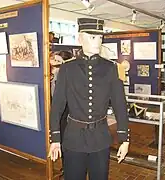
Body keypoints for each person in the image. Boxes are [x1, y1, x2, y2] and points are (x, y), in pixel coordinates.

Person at [48, 18, 130, 180]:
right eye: (93, 37)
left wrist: (124, 139)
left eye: (100, 37)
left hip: (100, 138)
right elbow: (57, 106)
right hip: (73, 138)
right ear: (80, 39)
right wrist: (55, 139)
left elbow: (120, 106)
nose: (98, 42)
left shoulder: (112, 68)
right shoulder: (67, 69)